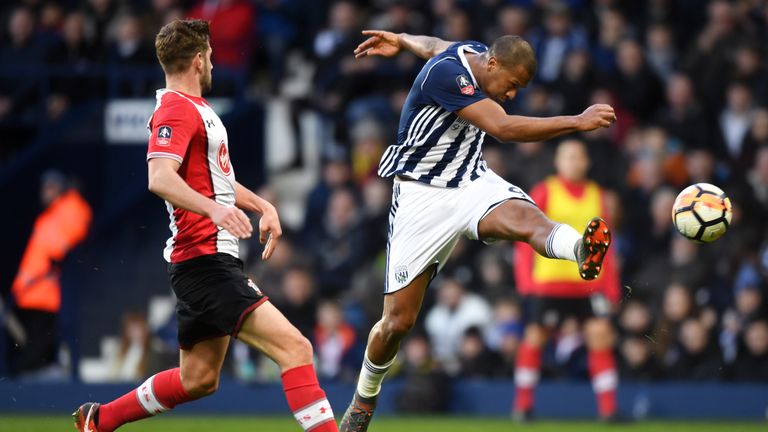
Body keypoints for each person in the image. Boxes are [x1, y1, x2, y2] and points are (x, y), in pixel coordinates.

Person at [339, 30, 617, 431]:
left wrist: (402, 39)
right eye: (513, 84)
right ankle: (364, 400)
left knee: (527, 220)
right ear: (493, 65)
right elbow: (503, 128)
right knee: (397, 323)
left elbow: (435, 44)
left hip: (471, 180)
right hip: (422, 196)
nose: (512, 94)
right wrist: (577, 121)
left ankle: (579, 250)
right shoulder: (447, 77)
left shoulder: (469, 54)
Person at [73, 20, 338, 432]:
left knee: (197, 380)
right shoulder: (176, 109)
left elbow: (217, 178)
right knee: (296, 347)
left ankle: (100, 420)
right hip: (205, 262)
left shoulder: (197, 110)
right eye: (211, 56)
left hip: (203, 263)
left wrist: (261, 204)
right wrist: (215, 212)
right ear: (199, 60)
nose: (213, 63)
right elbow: (159, 177)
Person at [512, 139, 621, 421]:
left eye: (578, 157)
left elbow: (605, 246)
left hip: (588, 284)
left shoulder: (598, 195)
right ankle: (523, 406)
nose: (573, 162)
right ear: (558, 162)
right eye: (568, 157)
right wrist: (525, 281)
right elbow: (525, 235)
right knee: (535, 337)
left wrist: (610, 287)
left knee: (600, 336)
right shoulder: (545, 191)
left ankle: (608, 411)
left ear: (587, 162)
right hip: (548, 282)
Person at [10, 170, 92, 376]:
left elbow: (57, 248)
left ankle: (17, 382)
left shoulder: (69, 208)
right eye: (45, 186)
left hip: (43, 294)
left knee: (39, 349)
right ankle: (18, 381)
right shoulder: (50, 214)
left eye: (52, 186)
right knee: (34, 349)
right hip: (32, 293)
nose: (46, 191)